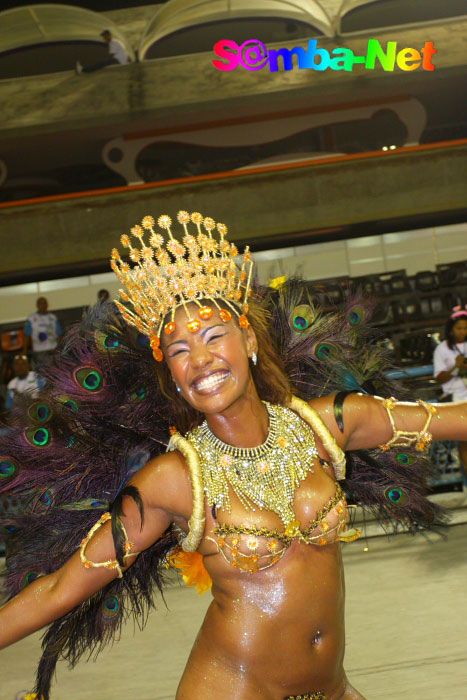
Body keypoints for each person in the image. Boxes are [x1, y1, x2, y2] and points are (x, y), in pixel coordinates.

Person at [1, 210, 466, 700]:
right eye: (178, 350)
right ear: (172, 375)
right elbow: (59, 589)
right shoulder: (174, 480)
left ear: (248, 340)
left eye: (213, 336)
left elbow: (447, 418)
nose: (199, 360)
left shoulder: (327, 426)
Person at [433, 304, 467, 474]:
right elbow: (439, 377)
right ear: (451, 329)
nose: (463, 331)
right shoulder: (442, 348)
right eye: (459, 328)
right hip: (456, 399)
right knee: (465, 442)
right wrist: (456, 367)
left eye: (465, 328)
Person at [23, 297, 63, 367]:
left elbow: (59, 333)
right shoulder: (31, 318)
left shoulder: (53, 318)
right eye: (40, 303)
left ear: (47, 305)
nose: (42, 305)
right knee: (41, 373)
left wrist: (58, 348)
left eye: (44, 303)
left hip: (52, 350)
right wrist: (25, 352)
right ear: (37, 305)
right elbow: (27, 335)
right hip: (39, 352)